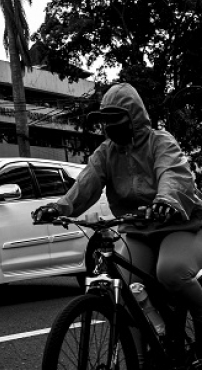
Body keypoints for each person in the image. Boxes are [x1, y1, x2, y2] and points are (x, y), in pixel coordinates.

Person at [33, 83, 202, 363]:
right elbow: (86, 183)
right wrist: (58, 207)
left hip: (180, 225)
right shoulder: (106, 152)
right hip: (137, 229)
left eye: (115, 119)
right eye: (105, 121)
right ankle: (140, 359)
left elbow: (172, 174)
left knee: (171, 272)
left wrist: (164, 200)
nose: (109, 127)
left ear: (134, 116)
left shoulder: (160, 142)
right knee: (126, 291)